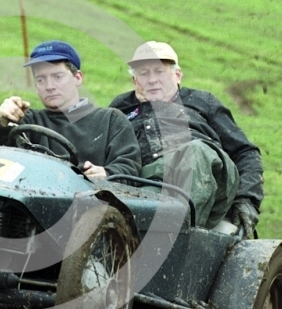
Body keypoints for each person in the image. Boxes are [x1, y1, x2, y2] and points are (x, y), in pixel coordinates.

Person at [110, 41, 264, 237]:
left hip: (208, 177)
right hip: (147, 182)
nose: (152, 80)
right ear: (134, 81)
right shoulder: (119, 108)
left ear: (177, 75)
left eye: (159, 71)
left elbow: (245, 152)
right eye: (144, 73)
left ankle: (166, 234)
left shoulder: (202, 101)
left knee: (195, 151)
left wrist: (247, 200)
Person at [0, 40, 141, 179]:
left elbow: (129, 165)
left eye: (58, 77)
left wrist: (107, 173)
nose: (49, 86)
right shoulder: (27, 121)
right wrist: (1, 123)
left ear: (77, 78)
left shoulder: (110, 120)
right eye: (41, 79)